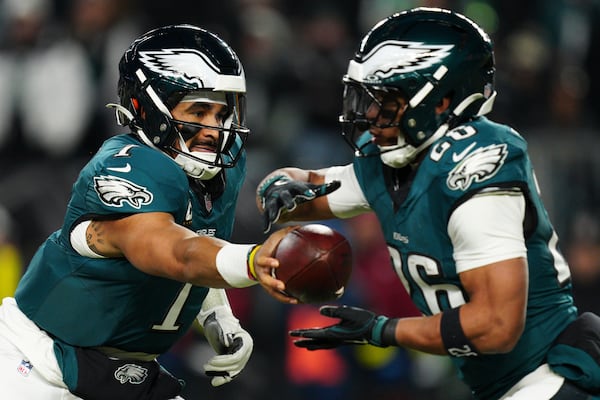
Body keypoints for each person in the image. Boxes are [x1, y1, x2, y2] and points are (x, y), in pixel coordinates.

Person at [256, 8, 600, 400]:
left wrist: (381, 330)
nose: (369, 116)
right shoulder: (391, 162)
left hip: (546, 376)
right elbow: (307, 189)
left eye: (385, 102)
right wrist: (274, 186)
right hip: (504, 385)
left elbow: (497, 325)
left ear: (442, 100)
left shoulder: (475, 166)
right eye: (368, 100)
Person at [0, 24, 298, 400]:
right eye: (198, 111)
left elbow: (198, 243)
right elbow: (172, 251)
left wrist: (216, 316)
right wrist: (254, 261)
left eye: (221, 113)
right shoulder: (127, 165)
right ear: (146, 108)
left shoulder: (220, 170)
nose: (213, 130)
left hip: (127, 375)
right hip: (39, 367)